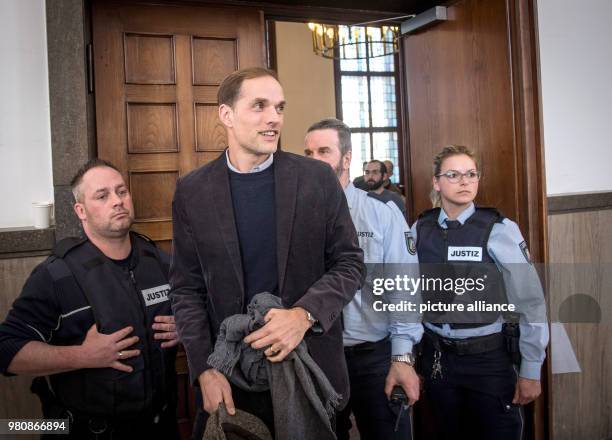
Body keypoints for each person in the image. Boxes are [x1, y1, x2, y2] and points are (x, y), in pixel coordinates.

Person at [169, 68, 365, 439]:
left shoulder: (316, 179)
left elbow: (350, 263)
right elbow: (186, 289)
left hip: (311, 372)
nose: (274, 117)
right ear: (226, 115)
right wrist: (204, 371)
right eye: (259, 106)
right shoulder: (192, 191)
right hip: (231, 378)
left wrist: (303, 315)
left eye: (279, 107)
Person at [0, 159, 180, 440]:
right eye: (102, 195)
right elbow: (7, 351)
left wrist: (184, 328)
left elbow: (200, 314)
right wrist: (83, 356)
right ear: (80, 211)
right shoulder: (55, 275)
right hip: (90, 432)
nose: (118, 201)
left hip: (161, 426)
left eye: (122, 191)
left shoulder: (160, 263)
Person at [411, 145, 549, 439]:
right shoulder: (419, 229)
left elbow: (531, 302)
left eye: (471, 174)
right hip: (437, 359)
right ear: (436, 182)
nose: (464, 181)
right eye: (454, 174)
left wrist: (531, 368)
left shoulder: (499, 229)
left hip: (488, 360)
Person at [304, 118, 422, 440]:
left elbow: (404, 288)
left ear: (346, 158)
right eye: (308, 152)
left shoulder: (381, 215)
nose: (314, 160)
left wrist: (401, 357)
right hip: (319, 356)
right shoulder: (297, 217)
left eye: (323, 151)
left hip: (374, 357)